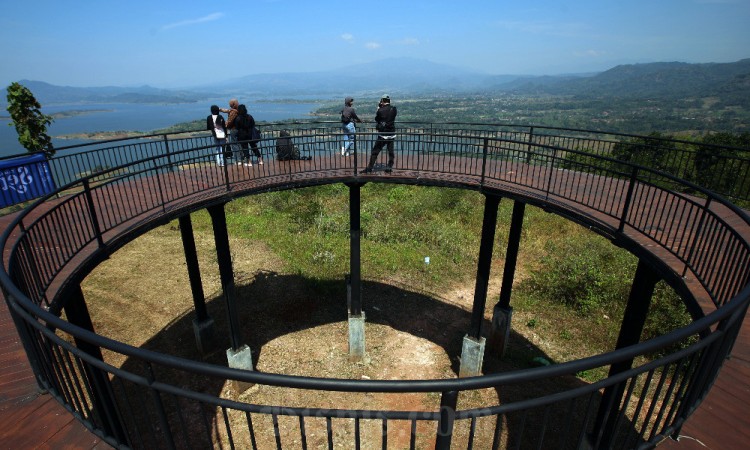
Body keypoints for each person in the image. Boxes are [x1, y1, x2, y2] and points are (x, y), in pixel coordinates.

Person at [363, 95, 398, 173]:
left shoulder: (380, 110)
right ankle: (389, 167)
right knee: (391, 152)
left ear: (382, 101)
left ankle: (369, 168)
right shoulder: (394, 109)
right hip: (391, 133)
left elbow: (377, 119)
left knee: (375, 152)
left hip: (383, 134)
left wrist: (378, 109)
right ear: (389, 101)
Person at [220, 99, 240, 163]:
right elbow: (227, 110)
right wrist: (220, 109)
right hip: (239, 129)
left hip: (234, 129)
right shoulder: (238, 110)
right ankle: (241, 158)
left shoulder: (233, 112)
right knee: (239, 143)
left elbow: (230, 121)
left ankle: (238, 160)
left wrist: (225, 125)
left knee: (234, 144)